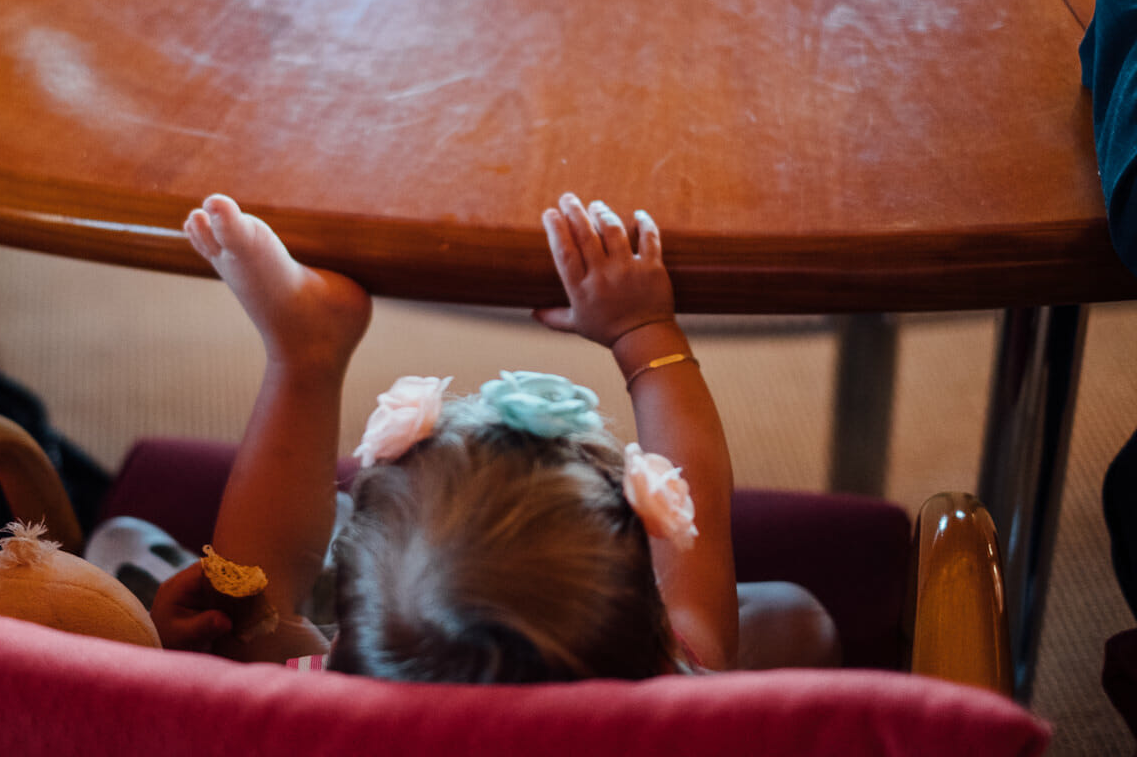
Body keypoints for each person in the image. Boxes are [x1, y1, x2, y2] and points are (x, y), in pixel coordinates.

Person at [153, 192, 838, 678]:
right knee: (799, 618)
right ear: (647, 616)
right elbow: (701, 517)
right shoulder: (679, 685)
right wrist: (642, 330)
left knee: (247, 625)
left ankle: (305, 353)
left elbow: (249, 616)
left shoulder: (316, 701)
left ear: (350, 622)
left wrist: (292, 363)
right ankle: (303, 351)